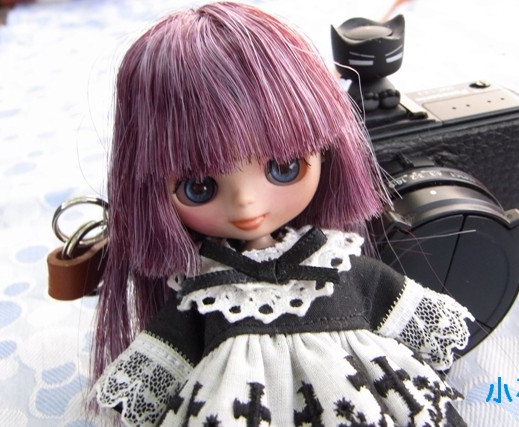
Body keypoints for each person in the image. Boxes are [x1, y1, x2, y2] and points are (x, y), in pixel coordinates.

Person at [92, 2, 472, 425]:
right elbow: (158, 367)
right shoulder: (205, 291)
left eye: (283, 167)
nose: (247, 204)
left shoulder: (334, 261)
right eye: (199, 187)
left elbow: (405, 310)